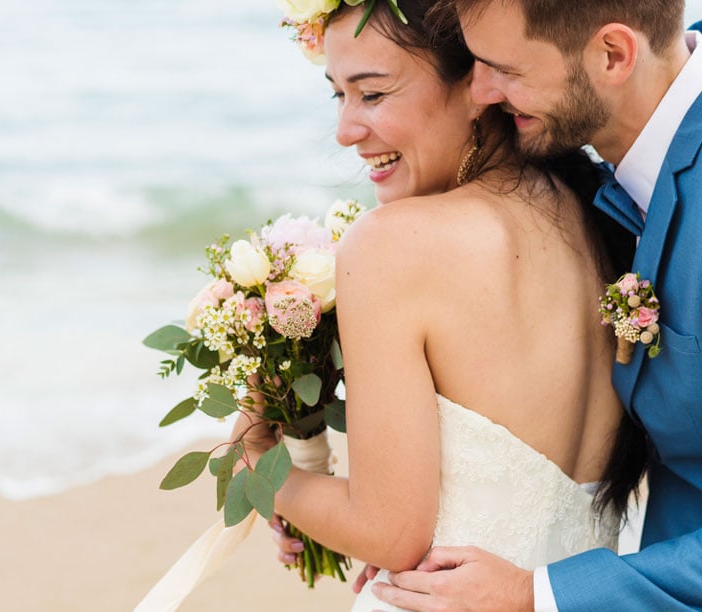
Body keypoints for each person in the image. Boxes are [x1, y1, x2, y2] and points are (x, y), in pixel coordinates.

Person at [369, 1, 702, 610]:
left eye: (505, 70)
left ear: (613, 55)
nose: (480, 90)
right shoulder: (678, 129)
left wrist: (534, 595)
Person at [234, 0, 644, 609]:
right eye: (337, 96)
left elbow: (389, 534)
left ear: (478, 84)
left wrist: (259, 467)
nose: (346, 129)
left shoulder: (393, 246)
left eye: (372, 95)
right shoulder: (599, 214)